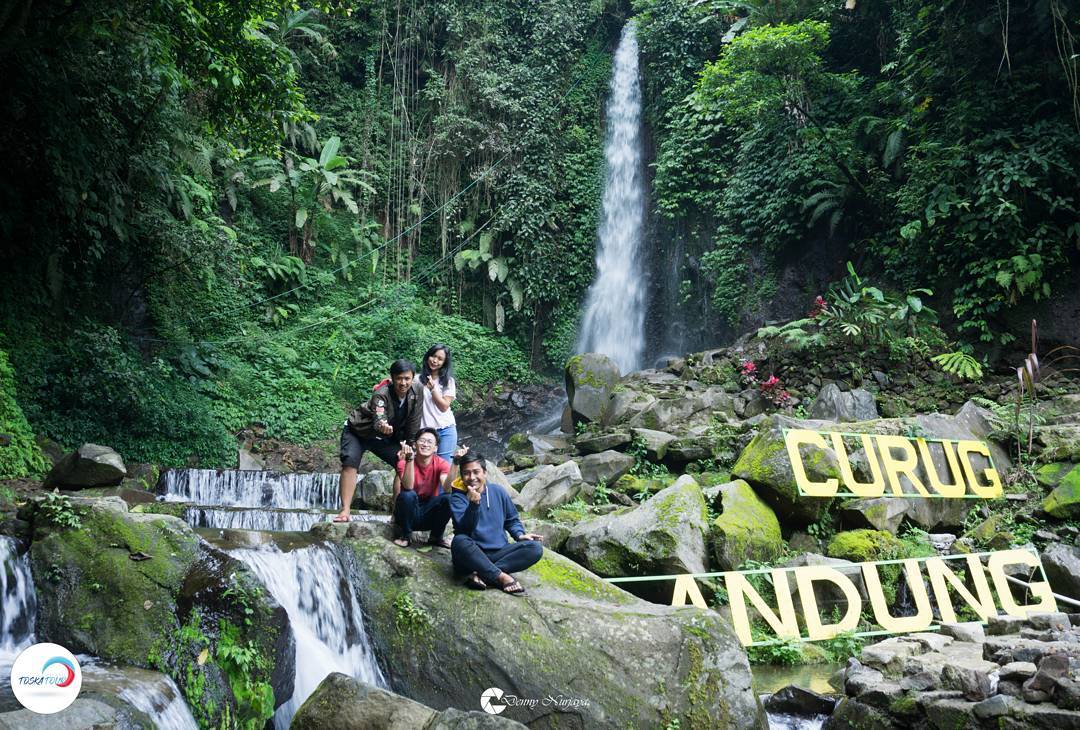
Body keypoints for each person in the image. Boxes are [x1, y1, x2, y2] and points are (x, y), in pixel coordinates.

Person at [335, 359, 423, 523]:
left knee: (402, 461)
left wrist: (410, 445)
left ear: (412, 378)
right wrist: (382, 425)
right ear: (392, 378)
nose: (403, 383)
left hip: (384, 437)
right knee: (350, 462)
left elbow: (414, 419)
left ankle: (397, 514)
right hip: (358, 431)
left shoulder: (417, 390)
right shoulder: (381, 394)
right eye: (399, 378)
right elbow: (379, 418)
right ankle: (345, 510)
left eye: (407, 378)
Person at [449, 452, 544, 596]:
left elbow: (511, 520)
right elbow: (464, 529)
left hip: (498, 553)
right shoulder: (457, 498)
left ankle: (484, 574)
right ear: (461, 476)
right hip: (471, 556)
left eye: (476, 472)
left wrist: (519, 535)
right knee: (459, 541)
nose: (472, 477)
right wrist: (474, 505)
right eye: (466, 473)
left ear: (485, 473)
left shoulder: (498, 491)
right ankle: (501, 577)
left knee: (535, 548)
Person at [391, 428, 453, 548]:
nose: (425, 444)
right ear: (414, 444)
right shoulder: (403, 462)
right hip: (406, 514)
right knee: (408, 494)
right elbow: (408, 486)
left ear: (435, 448)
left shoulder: (441, 463)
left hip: (427, 514)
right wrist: (409, 459)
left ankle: (436, 537)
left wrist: (455, 463)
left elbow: (447, 489)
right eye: (422, 441)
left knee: (449, 498)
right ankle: (405, 536)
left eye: (430, 442)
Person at [419, 344, 458, 464]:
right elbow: (400, 382)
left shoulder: (448, 382)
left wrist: (433, 390)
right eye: (433, 356)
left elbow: (444, 406)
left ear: (444, 363)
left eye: (440, 359)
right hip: (425, 432)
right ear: (428, 356)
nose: (435, 361)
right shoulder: (416, 380)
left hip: (446, 430)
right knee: (426, 469)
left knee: (443, 470)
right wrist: (384, 384)